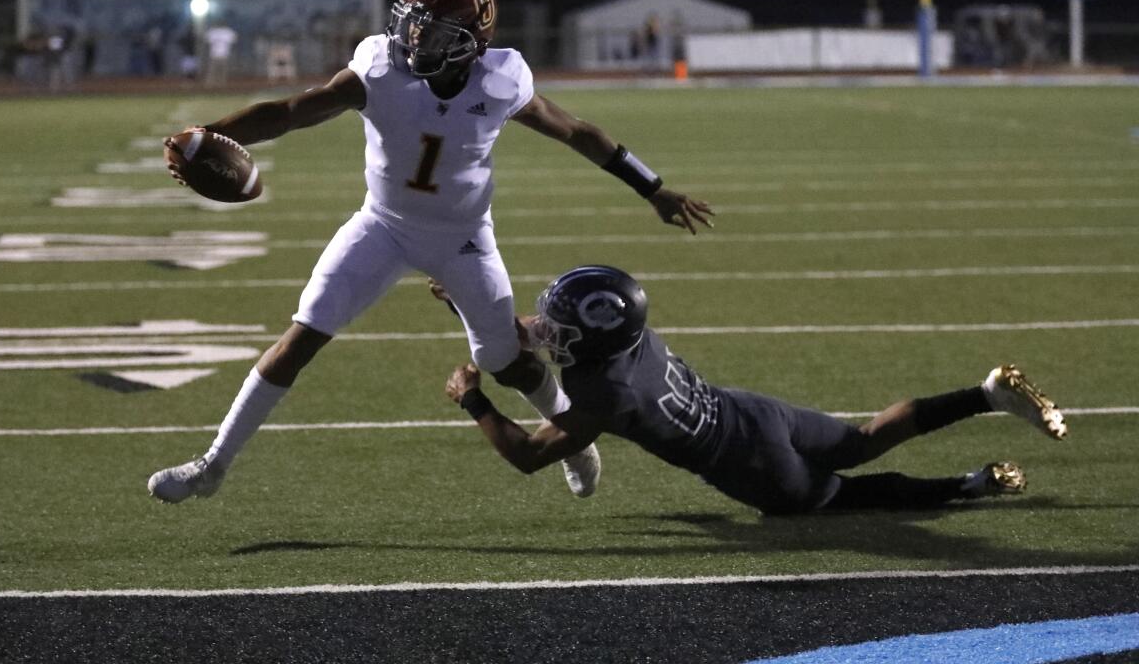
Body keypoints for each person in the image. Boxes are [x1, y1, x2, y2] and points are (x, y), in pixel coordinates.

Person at [147, 0, 714, 504]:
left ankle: (570, 437)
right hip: (383, 225)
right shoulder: (377, 69)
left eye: (433, 28)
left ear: (472, 37)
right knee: (302, 335)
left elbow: (577, 132)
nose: (415, 37)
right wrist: (209, 133)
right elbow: (293, 110)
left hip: (463, 236)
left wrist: (652, 187)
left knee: (504, 359)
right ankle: (213, 464)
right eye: (412, 21)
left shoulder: (500, 79)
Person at [442, 265, 1068, 515]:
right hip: (750, 412)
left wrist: (474, 399)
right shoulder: (629, 335)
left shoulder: (606, 393)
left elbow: (527, 457)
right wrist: (472, 309)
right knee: (861, 438)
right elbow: (535, 331)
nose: (546, 329)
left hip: (749, 465)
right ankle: (985, 394)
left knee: (844, 499)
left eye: (562, 326)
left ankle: (971, 485)